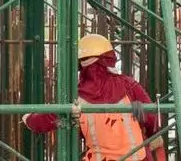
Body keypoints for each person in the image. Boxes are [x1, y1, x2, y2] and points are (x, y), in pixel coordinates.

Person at [23, 33, 166, 161]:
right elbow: (153, 120)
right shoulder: (128, 85)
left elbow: (47, 120)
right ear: (109, 58)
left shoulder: (77, 97)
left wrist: (28, 119)